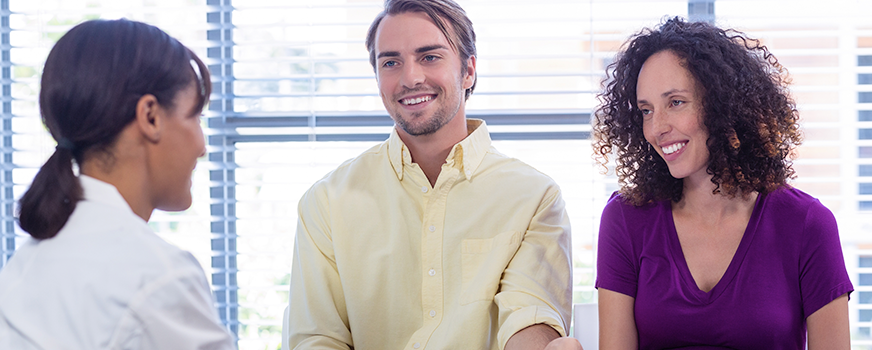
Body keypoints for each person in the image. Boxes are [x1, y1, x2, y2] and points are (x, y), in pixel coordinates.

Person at [286, 0, 581, 349]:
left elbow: (529, 319)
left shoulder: (533, 197)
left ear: (468, 70)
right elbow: (318, 338)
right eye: (391, 62)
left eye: (429, 57)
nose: (410, 77)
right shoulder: (327, 201)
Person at [592, 17, 854, 349]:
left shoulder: (807, 224)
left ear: (721, 105)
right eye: (646, 110)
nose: (656, 128)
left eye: (675, 102)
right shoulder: (626, 219)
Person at [0, 19, 235, 349]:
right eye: (195, 117)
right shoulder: (158, 275)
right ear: (150, 116)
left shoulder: (23, 269)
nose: (201, 145)